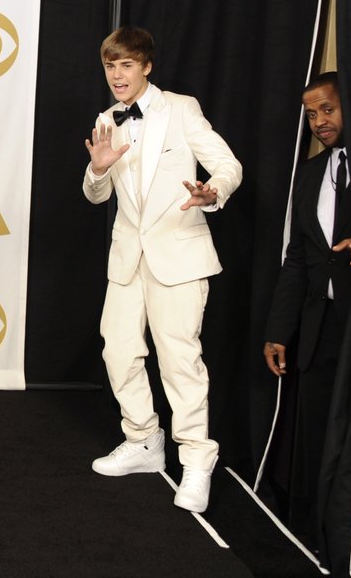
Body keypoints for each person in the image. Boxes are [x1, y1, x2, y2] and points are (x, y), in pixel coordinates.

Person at [83, 26, 242, 513]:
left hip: (179, 254)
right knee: (119, 352)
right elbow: (96, 196)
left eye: (126, 65)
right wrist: (98, 169)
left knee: (179, 362)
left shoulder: (182, 108)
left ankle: (196, 460)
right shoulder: (106, 119)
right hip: (128, 258)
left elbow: (228, 166)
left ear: (147, 66)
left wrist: (211, 193)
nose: (117, 75)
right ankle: (143, 440)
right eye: (110, 66)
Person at [262, 70, 351, 548]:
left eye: (327, 109)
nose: (319, 121)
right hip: (318, 330)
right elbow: (299, 258)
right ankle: (319, 533)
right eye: (311, 114)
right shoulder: (309, 173)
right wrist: (278, 331)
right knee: (319, 432)